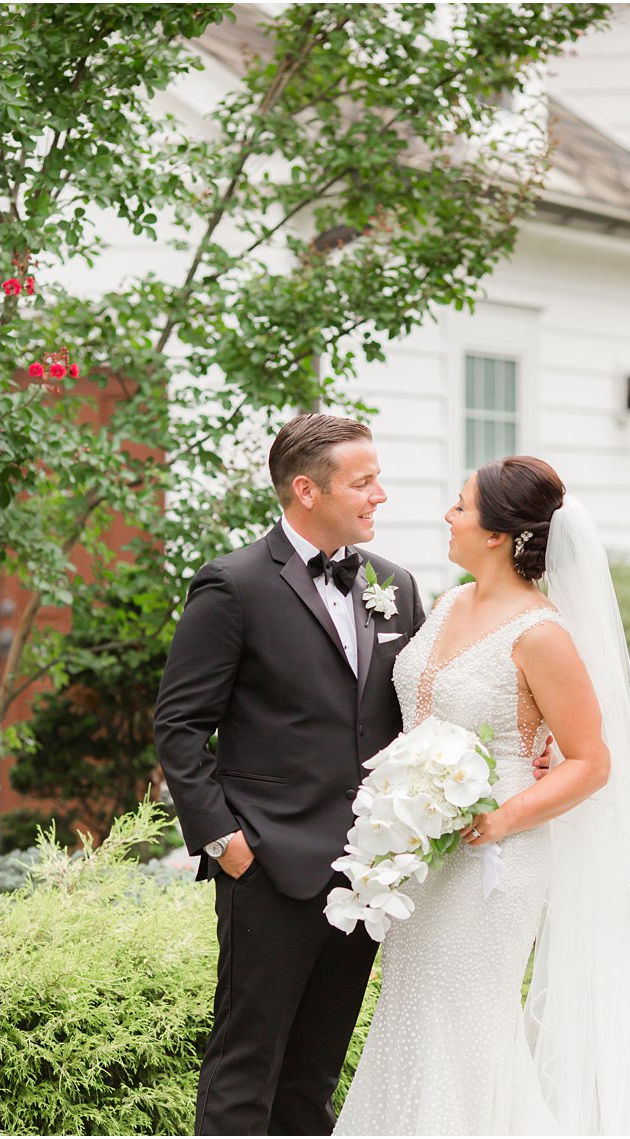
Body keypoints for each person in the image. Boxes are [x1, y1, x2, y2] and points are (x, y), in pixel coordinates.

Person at [334, 456, 630, 1136]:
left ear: (497, 533)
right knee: (411, 1011)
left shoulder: (542, 633)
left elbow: (590, 761)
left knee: (467, 1022)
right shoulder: (446, 604)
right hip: (420, 849)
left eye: (461, 505)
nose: (448, 514)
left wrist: (502, 818)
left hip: (494, 860)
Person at [154, 413, 426, 1135]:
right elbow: (179, 727)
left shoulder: (394, 585)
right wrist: (225, 841)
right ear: (306, 489)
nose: (381, 495)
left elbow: (420, 713)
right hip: (268, 865)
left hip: (366, 873)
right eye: (364, 481)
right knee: (246, 1066)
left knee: (314, 1075)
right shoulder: (233, 584)